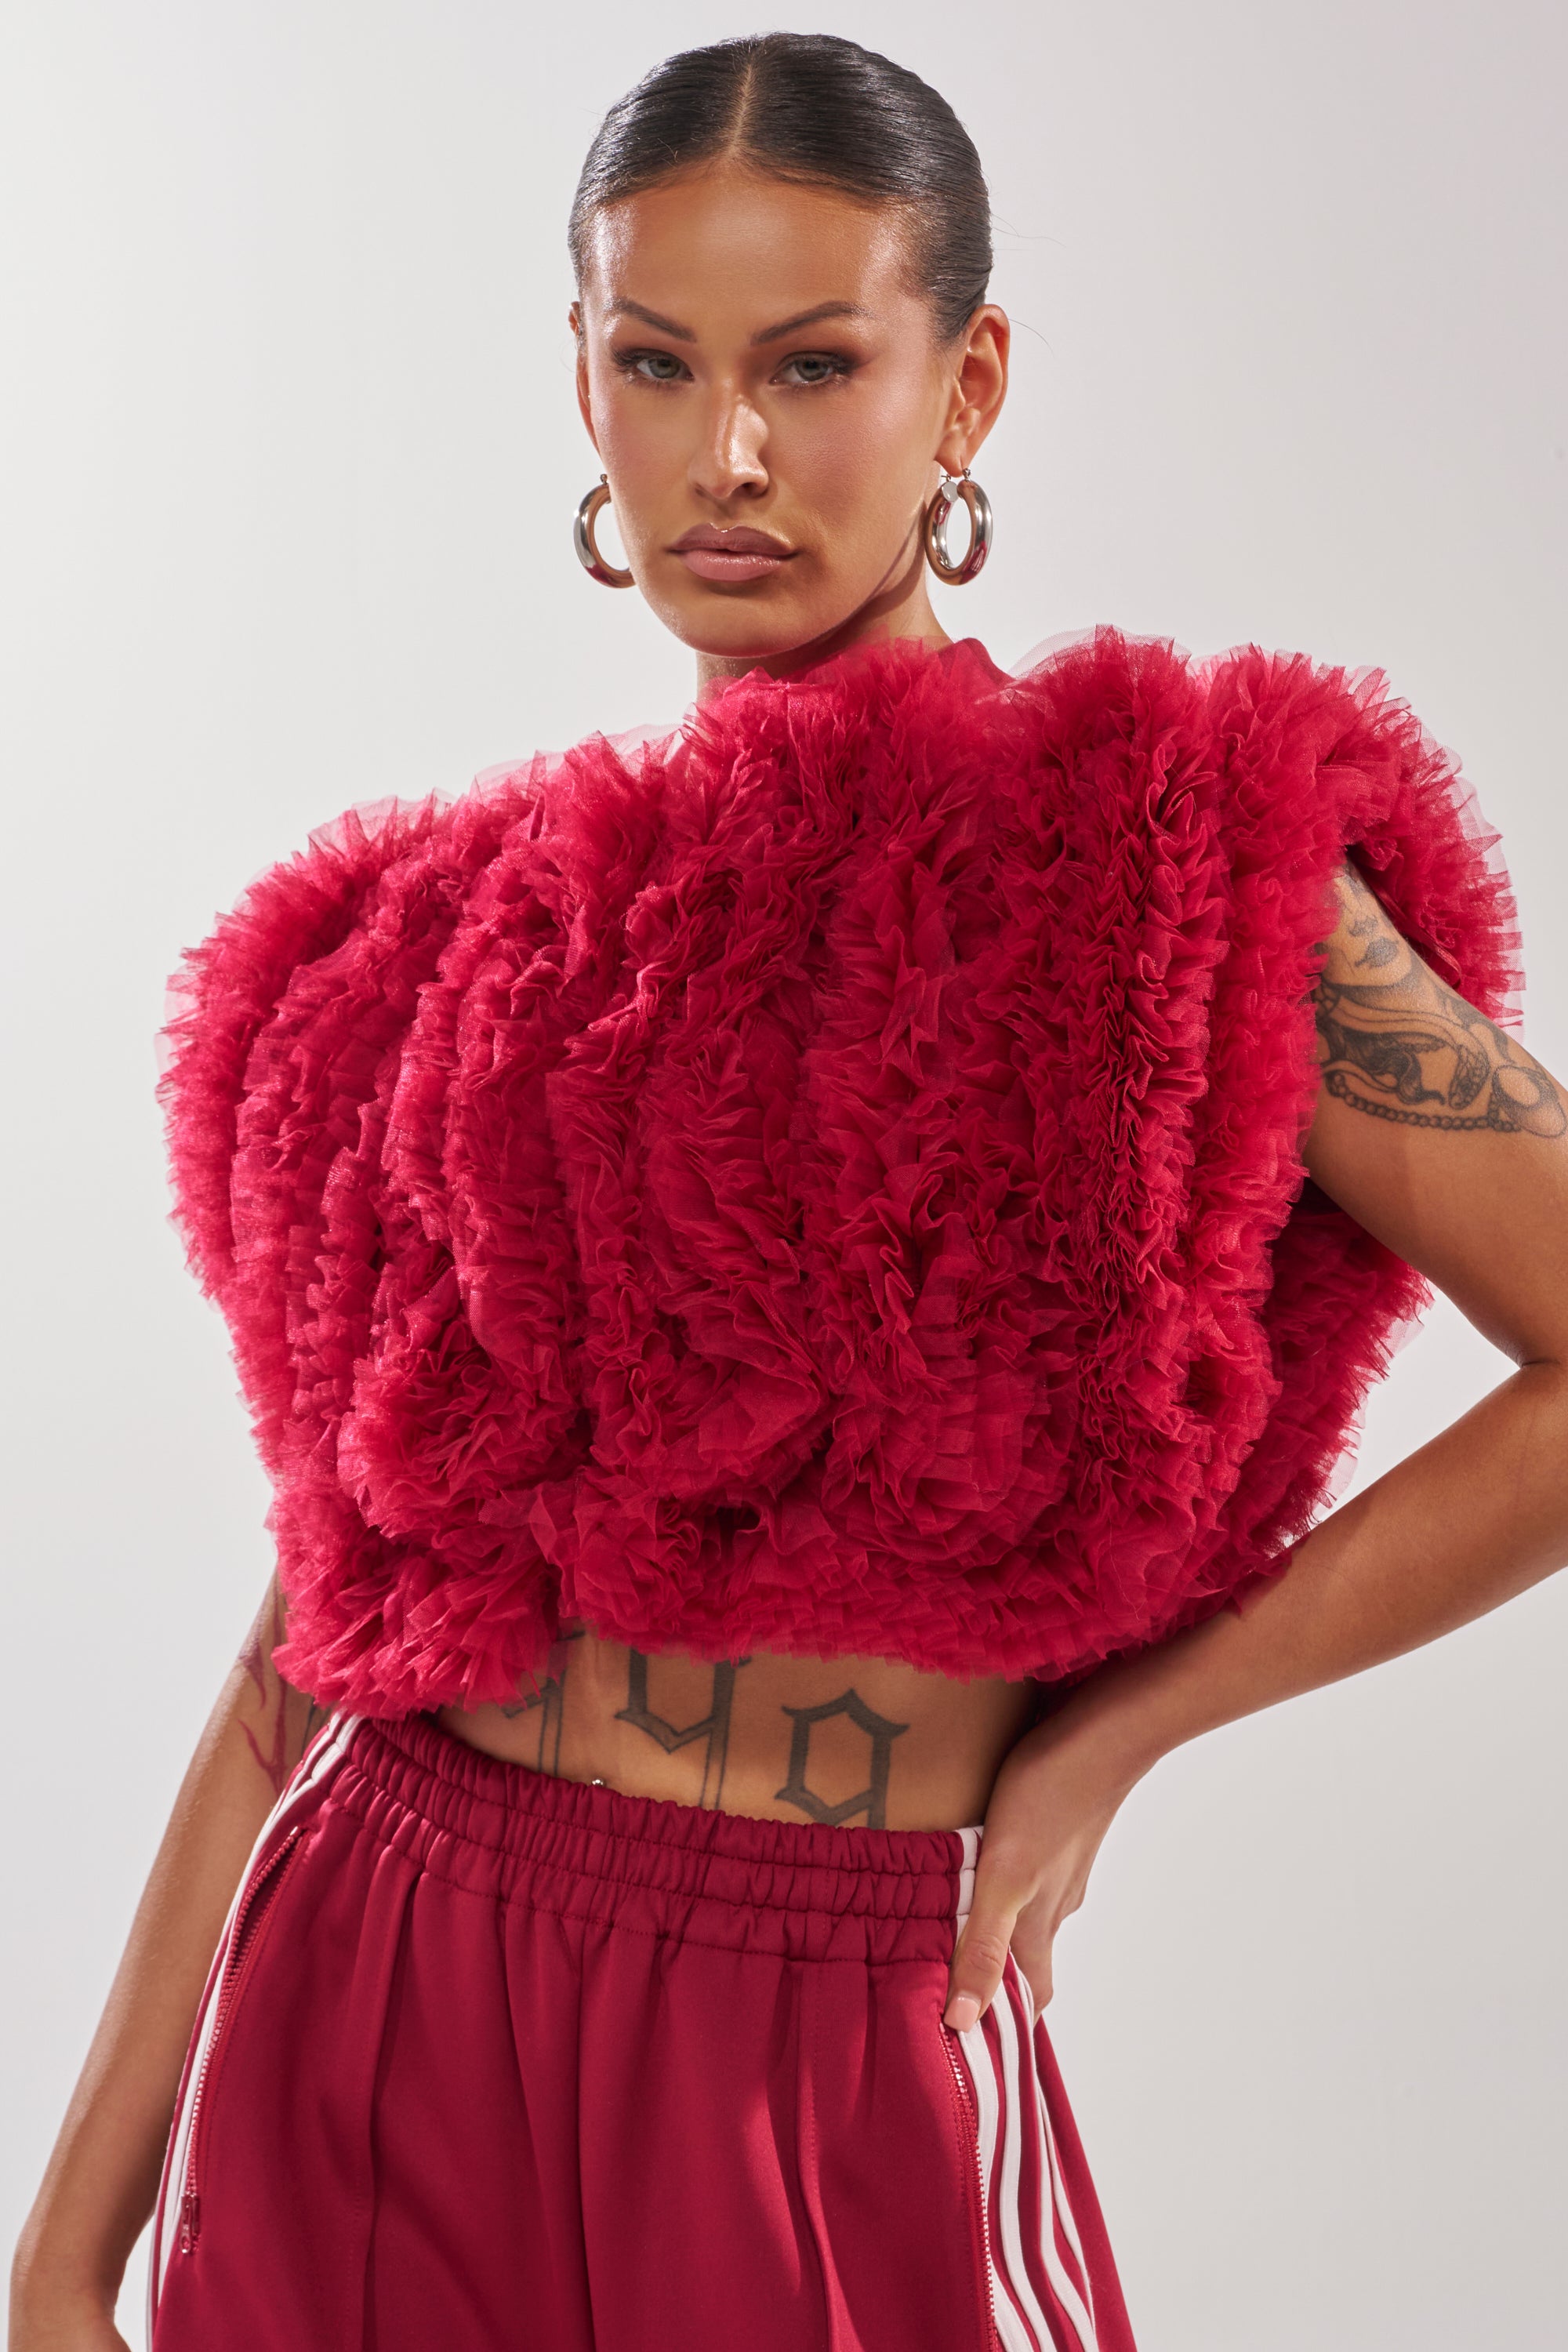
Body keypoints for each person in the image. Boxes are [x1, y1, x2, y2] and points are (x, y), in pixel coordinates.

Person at [12, 31, 1568, 2352]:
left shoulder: (1160, 876)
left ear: (968, 385)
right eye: (659, 362)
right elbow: (330, 1605)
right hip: (373, 1972)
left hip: (817, 2045)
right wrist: (63, 2249)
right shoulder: (481, 939)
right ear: (585, 379)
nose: (727, 456)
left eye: (815, 366)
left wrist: (1127, 1732)